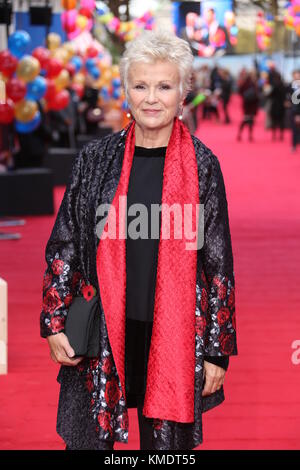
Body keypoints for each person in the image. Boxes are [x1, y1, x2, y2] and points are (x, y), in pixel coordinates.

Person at [40, 30, 238, 451]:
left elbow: (218, 263)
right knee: (90, 443)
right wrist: (54, 319)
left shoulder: (203, 165)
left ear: (183, 94)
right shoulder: (96, 159)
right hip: (104, 329)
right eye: (141, 85)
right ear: (125, 90)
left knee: (164, 450)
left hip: (175, 333)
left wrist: (218, 349)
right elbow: (67, 242)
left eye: (164, 86)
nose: (152, 97)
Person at [237, 69, 260, 142]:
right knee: (247, 119)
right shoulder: (251, 83)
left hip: (249, 104)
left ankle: (246, 135)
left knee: (249, 120)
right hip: (249, 104)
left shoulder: (247, 82)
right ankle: (242, 134)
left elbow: (240, 92)